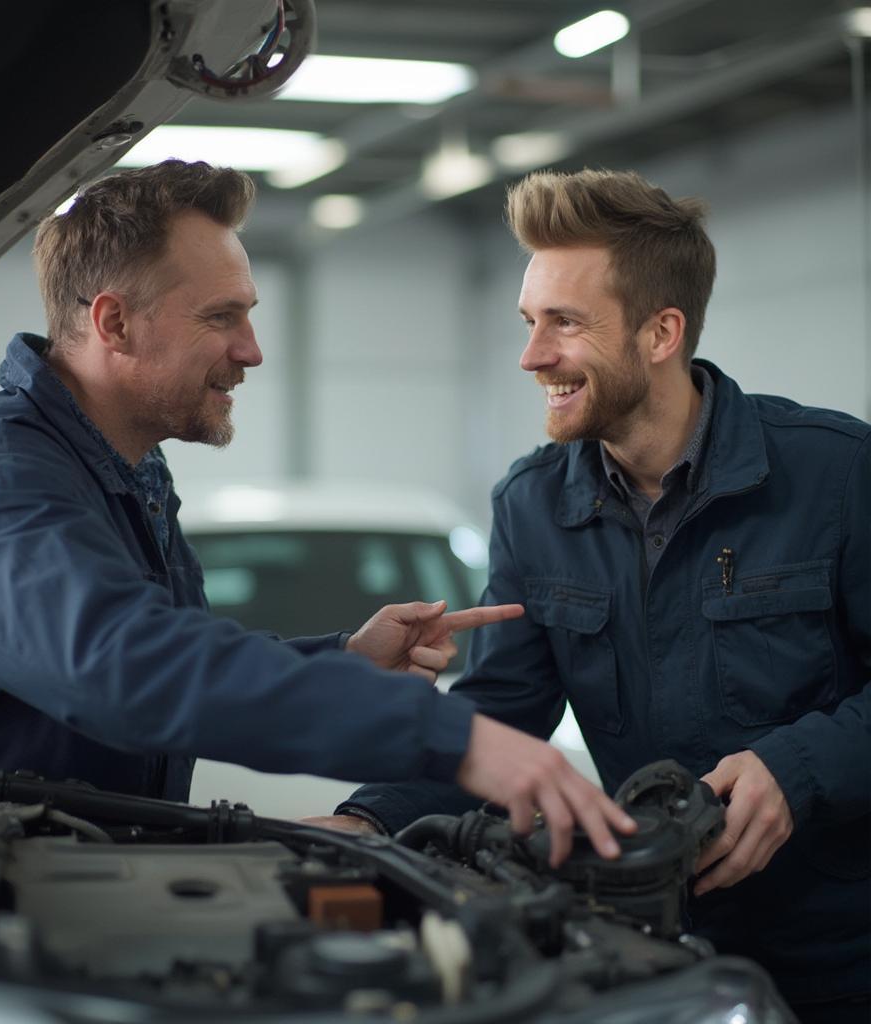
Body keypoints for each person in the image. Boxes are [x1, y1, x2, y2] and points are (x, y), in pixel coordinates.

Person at [0, 159, 636, 866]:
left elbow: (175, 652)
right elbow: (131, 668)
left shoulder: (121, 468)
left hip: (58, 892)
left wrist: (342, 663)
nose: (252, 349)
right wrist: (454, 738)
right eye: (221, 316)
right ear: (113, 322)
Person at [327, 169, 870, 1021]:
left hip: (838, 964)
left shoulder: (835, 474)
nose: (531, 355)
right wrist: (367, 822)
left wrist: (797, 769)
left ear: (661, 332)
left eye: (564, 323)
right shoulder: (535, 505)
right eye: (529, 321)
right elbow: (502, 719)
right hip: (639, 954)